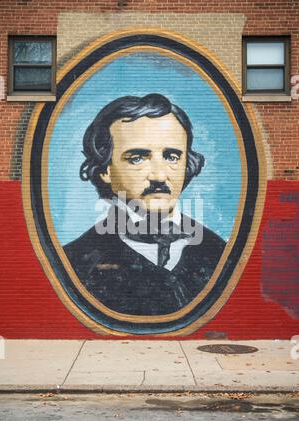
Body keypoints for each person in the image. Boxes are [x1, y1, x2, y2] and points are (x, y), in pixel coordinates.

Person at [64, 93, 225, 315]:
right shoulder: (74, 261)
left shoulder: (221, 252)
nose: (159, 176)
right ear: (104, 170)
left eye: (171, 157)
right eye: (137, 158)